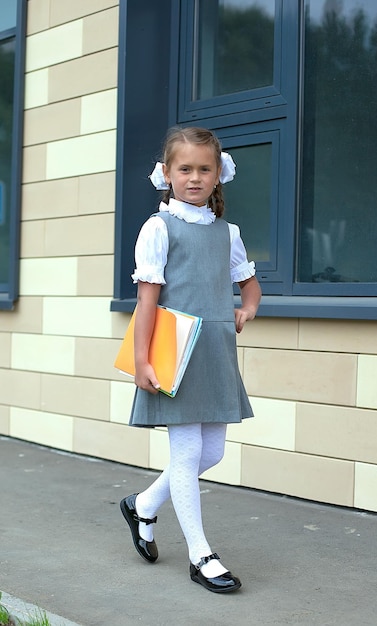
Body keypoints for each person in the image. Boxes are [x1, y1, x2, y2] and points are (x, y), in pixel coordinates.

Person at [120, 126, 261, 594]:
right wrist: (142, 360)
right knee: (185, 454)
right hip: (176, 351)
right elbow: (146, 299)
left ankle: (142, 505)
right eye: (186, 169)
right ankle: (201, 555)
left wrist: (246, 309)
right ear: (168, 173)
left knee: (212, 453)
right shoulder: (159, 227)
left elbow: (249, 284)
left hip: (216, 353)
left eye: (205, 169)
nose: (195, 178)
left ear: (219, 175)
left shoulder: (228, 232)